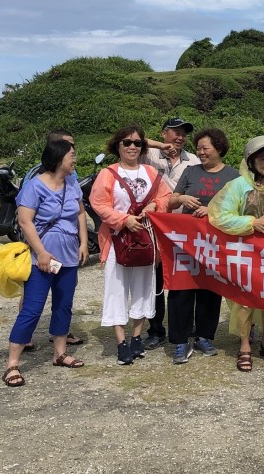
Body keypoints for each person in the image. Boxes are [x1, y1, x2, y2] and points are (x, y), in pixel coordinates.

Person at [1, 139, 88, 386]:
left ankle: (60, 353)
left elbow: (80, 213)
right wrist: (41, 253)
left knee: (63, 305)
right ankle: (12, 364)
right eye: (71, 155)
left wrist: (83, 243)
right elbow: (25, 221)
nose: (75, 159)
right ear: (58, 158)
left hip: (68, 256)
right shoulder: (35, 187)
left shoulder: (72, 184)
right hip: (41, 258)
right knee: (32, 309)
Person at [89, 126, 171, 366]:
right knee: (116, 288)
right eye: (127, 142)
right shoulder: (107, 174)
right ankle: (121, 342)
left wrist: (155, 205)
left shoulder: (151, 172)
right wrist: (124, 220)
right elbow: (99, 204)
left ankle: (136, 337)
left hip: (145, 240)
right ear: (118, 146)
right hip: (118, 239)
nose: (132, 146)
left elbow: (166, 196)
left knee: (144, 287)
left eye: (137, 143)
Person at [208, 135, 264, 372]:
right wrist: (252, 223)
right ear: (251, 160)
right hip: (243, 251)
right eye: (263, 159)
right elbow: (220, 216)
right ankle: (245, 346)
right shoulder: (236, 186)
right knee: (244, 300)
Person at [166, 127, 237, 365]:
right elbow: (171, 201)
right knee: (181, 288)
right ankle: (180, 340)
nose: (201, 152)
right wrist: (182, 198)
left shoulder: (233, 176)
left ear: (219, 148)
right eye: (198, 148)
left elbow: (238, 208)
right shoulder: (190, 171)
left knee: (210, 288)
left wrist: (212, 210)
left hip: (215, 243)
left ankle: (204, 336)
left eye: (205, 148)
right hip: (187, 241)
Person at [141, 117, 200, 350]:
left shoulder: (193, 160)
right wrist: (159, 146)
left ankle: (188, 325)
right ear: (164, 133)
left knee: (185, 279)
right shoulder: (149, 155)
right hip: (155, 227)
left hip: (184, 229)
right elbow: (129, 139)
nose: (180, 137)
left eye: (184, 133)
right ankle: (156, 330)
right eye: (175, 132)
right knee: (155, 279)